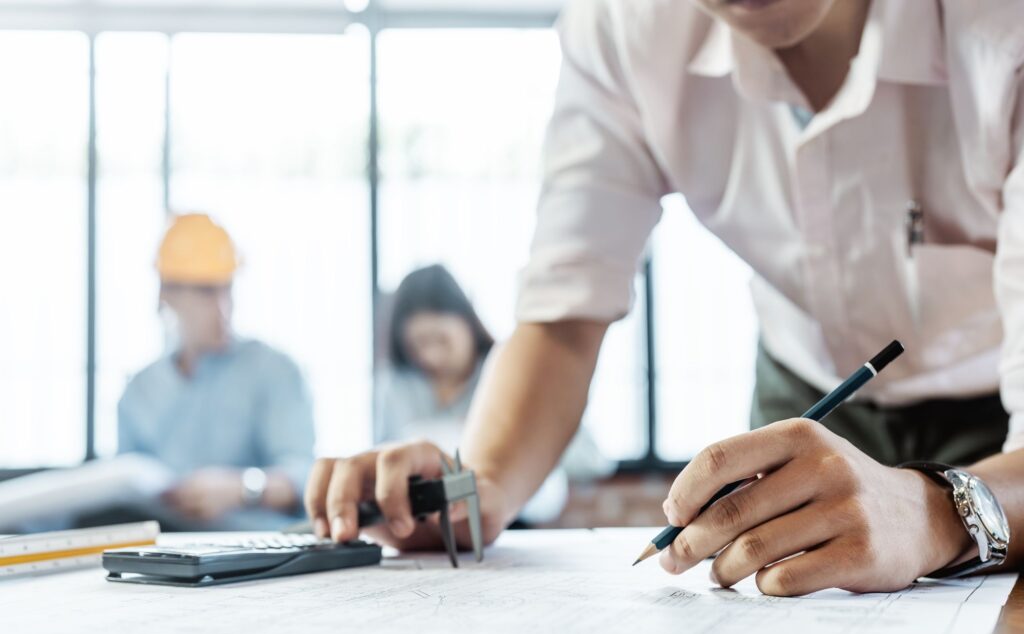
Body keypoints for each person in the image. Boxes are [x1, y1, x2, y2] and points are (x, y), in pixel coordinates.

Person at [306, 0, 1024, 595]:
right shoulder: (624, 24)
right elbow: (564, 311)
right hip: (809, 392)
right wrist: (481, 486)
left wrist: (941, 510)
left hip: (999, 404)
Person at [116, 214, 315, 530]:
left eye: (227, 289)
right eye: (206, 292)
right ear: (166, 294)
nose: (224, 308)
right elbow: (126, 487)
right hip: (165, 550)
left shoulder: (274, 371)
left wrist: (243, 489)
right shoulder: (139, 392)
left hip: (257, 550)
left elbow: (307, 477)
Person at [376, 265, 613, 525]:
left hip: (517, 523)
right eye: (418, 345)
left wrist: (509, 444)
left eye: (441, 340)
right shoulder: (396, 387)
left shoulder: (513, 376)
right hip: (425, 528)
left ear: (467, 323)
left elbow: (591, 460)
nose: (431, 356)